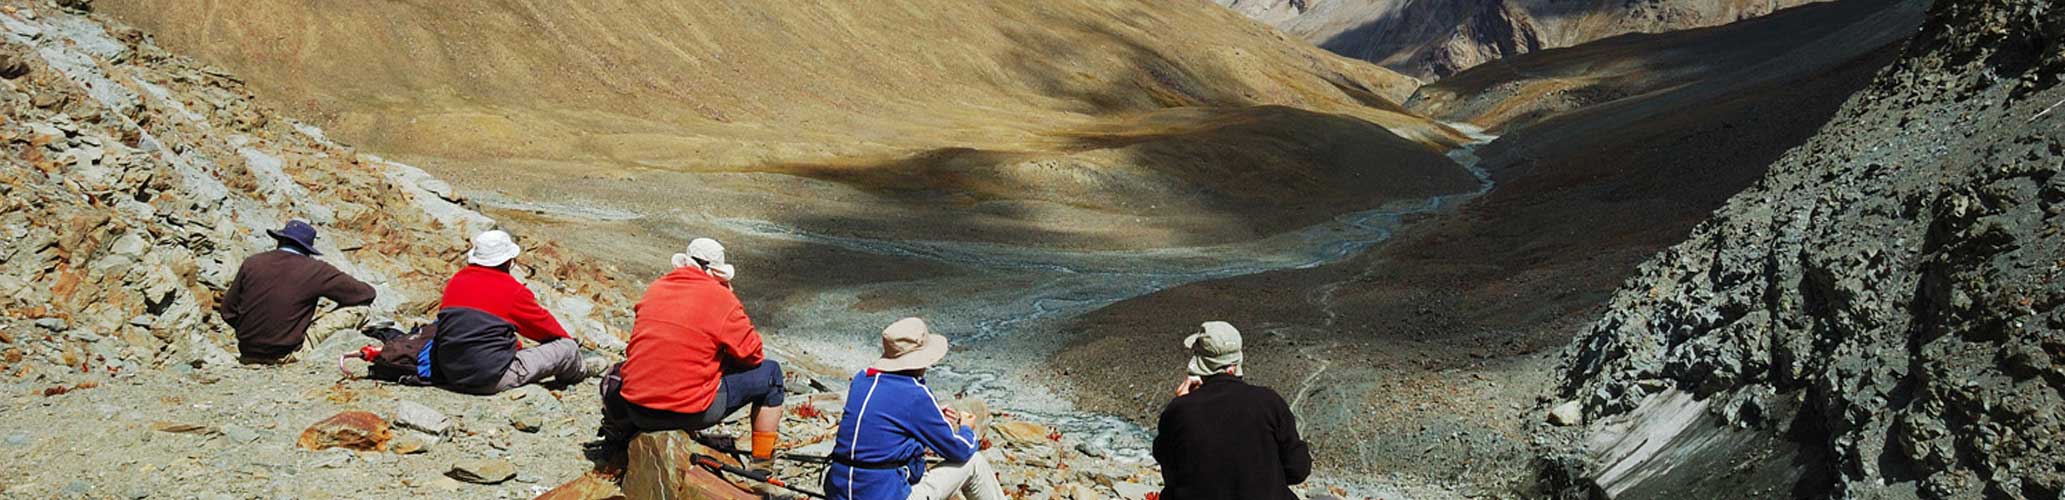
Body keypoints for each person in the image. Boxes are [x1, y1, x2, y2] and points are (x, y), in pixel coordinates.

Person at [588, 238, 787, 470]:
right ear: (717, 273)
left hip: (637, 409)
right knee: (771, 375)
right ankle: (762, 465)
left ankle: (626, 439)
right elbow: (752, 355)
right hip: (688, 412)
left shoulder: (656, 288)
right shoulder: (721, 298)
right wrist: (730, 300)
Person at [824, 317, 1006, 500]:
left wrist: (929, 417)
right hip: (885, 494)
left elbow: (884, 424)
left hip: (840, 492)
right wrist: (967, 429)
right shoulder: (915, 394)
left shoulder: (862, 379)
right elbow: (959, 450)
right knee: (974, 462)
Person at [1153, 321, 1311, 500]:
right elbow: (1298, 470)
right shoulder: (1268, 401)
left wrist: (1180, 403)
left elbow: (1168, 466)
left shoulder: (1180, 410)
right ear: (1237, 360)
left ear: (1198, 362)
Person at [430, 230, 594, 394]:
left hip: (450, 373)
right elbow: (547, 330)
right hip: (489, 378)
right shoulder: (512, 291)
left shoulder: (456, 282)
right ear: (508, 261)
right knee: (567, 348)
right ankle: (580, 370)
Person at [218, 220, 376, 364]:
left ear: (280, 240)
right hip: (286, 353)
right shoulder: (316, 270)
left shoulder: (252, 262)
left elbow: (227, 310)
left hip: (247, 351)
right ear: (307, 249)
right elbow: (365, 294)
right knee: (361, 310)